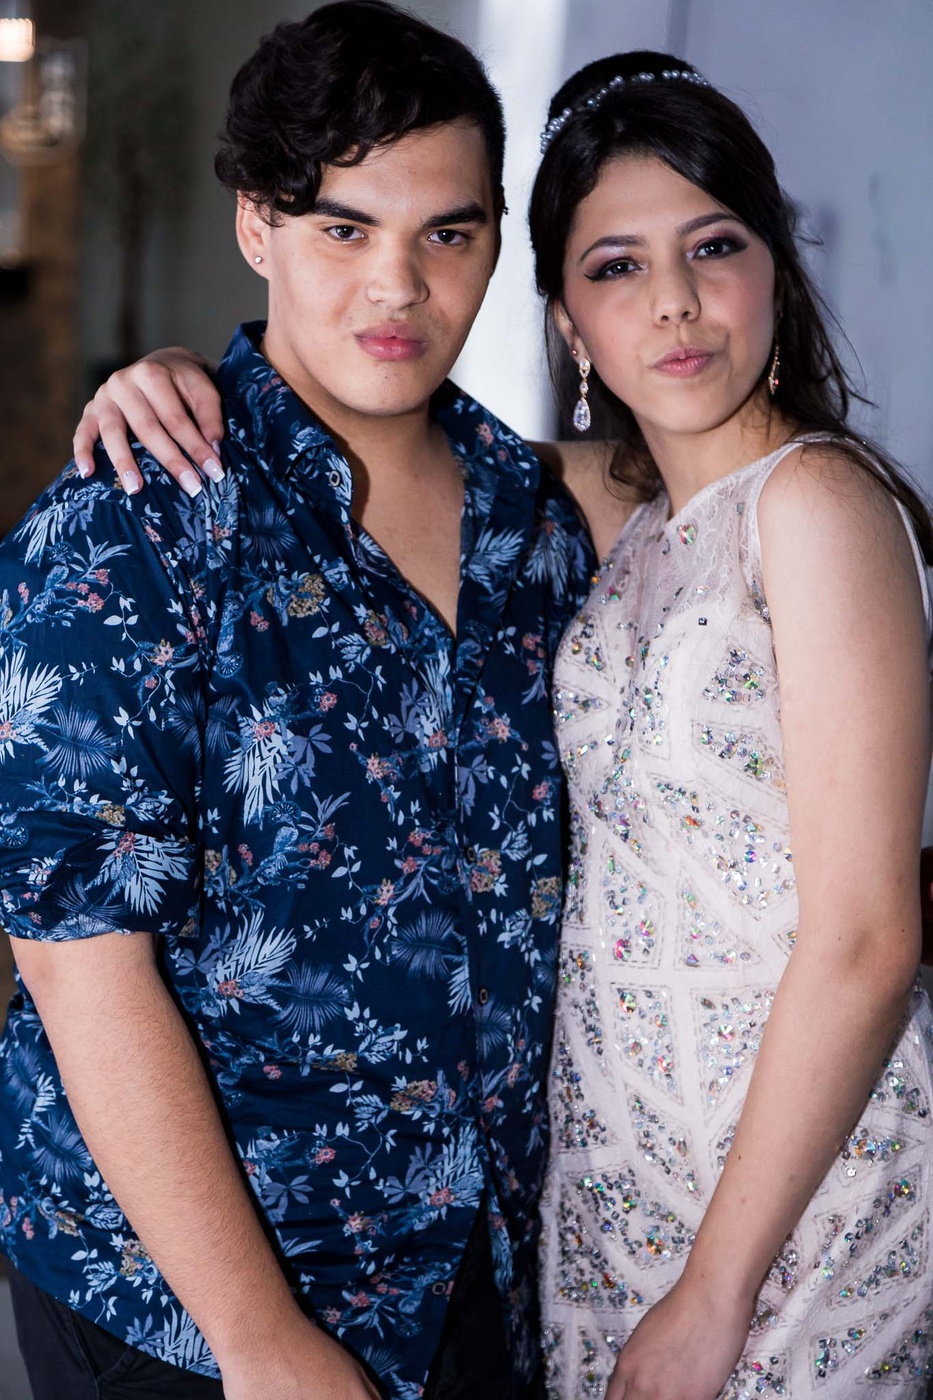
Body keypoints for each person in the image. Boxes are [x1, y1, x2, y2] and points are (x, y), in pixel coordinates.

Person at [81, 46, 933, 1400]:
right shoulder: (602, 509)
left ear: (778, 260)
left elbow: (869, 936)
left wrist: (715, 1291)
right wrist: (175, 374)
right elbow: (374, 440)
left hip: (767, 1202)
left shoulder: (759, 508)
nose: (674, 303)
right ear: (567, 317)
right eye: (615, 267)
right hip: (570, 1194)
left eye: (714, 246)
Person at [0, 5, 595, 1398]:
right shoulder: (134, 521)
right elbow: (79, 956)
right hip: (184, 1302)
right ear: (256, 226)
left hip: (472, 1266)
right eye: (344, 228)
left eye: (447, 233)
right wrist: (259, 1341)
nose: (399, 285)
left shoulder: (535, 523)